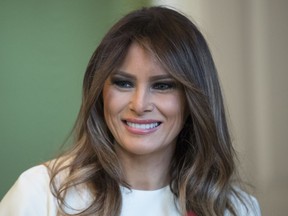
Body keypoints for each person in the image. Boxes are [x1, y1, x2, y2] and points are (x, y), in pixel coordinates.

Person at [0, 6, 261, 216]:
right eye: (123, 83)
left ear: (193, 99)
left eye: (162, 85)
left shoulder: (236, 209)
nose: (139, 104)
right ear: (100, 92)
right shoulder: (40, 192)